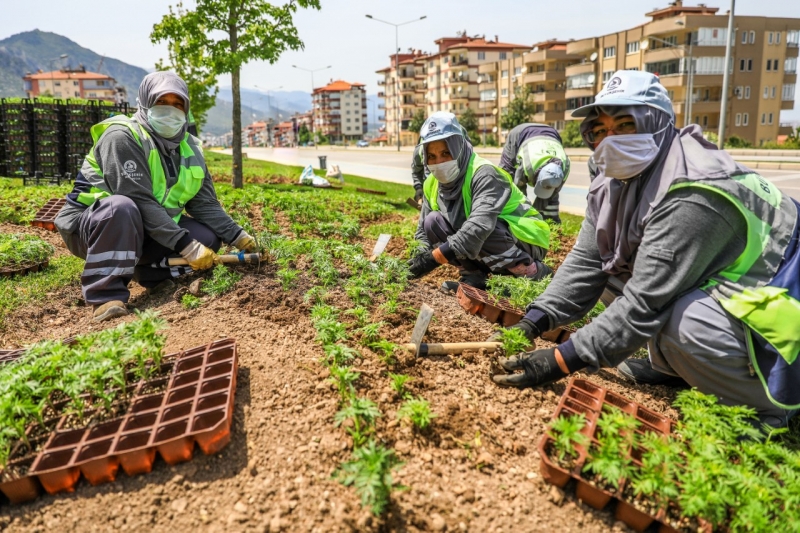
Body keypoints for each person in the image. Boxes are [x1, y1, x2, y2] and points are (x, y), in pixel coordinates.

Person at [491, 70, 800, 427]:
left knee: (680, 321)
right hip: (729, 280)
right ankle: (679, 369)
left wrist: (560, 361)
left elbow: (645, 303)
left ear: (658, 123)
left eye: (625, 125)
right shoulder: (614, 178)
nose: (611, 139)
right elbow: (588, 260)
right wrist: (534, 321)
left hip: (784, 296)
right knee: (613, 271)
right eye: (601, 130)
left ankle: (772, 407)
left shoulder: (693, 190)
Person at [55, 71, 257, 322]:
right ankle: (106, 295)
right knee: (121, 207)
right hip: (93, 226)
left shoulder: (190, 147)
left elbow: (204, 204)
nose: (170, 110)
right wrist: (186, 246)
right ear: (145, 102)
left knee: (207, 237)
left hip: (143, 227)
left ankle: (150, 275)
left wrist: (240, 237)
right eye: (162, 102)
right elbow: (138, 200)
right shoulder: (122, 137)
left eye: (177, 104)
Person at [407, 111, 553, 292]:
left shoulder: (484, 173)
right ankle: (475, 277)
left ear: (458, 148)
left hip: (526, 239)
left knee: (485, 230)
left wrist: (433, 259)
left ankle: (532, 273)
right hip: (490, 239)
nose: (439, 162)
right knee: (432, 222)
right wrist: (417, 259)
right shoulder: (432, 183)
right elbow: (423, 230)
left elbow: (479, 227)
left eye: (446, 153)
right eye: (432, 156)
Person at [499, 123, 571, 223]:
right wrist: (524, 216)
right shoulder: (528, 166)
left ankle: (552, 222)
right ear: (537, 177)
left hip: (552, 134)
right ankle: (502, 218)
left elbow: (552, 193)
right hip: (519, 134)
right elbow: (519, 191)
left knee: (551, 197)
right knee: (505, 179)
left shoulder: (564, 169)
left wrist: (536, 215)